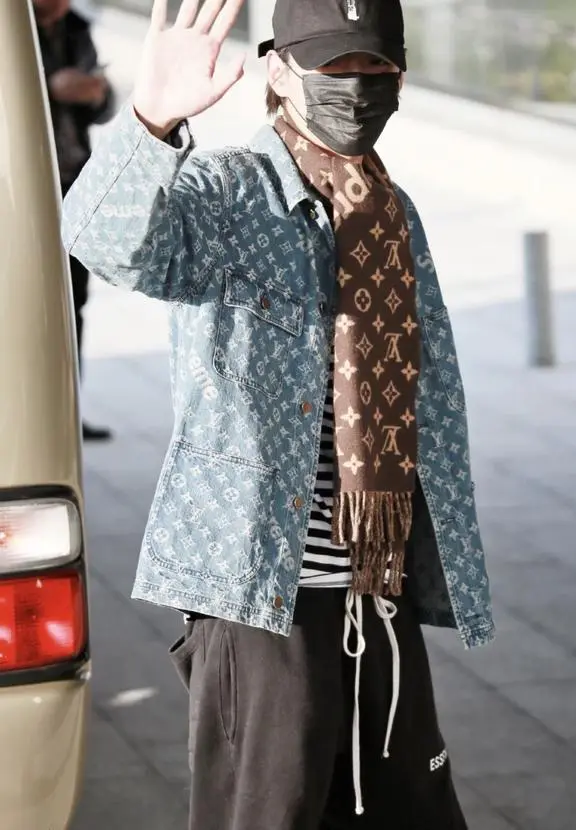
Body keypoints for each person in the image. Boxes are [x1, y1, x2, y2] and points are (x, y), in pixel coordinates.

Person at [62, 0, 495, 826]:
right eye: (333, 67)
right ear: (279, 70)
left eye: (373, 67)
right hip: (263, 594)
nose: (355, 87)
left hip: (376, 585)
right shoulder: (228, 194)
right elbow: (101, 242)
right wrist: (152, 120)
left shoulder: (392, 212)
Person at [35, 0, 114, 441]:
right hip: (26, 187)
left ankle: (68, 412)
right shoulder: (13, 26)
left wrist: (96, 94)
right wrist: (49, 87)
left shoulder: (76, 28)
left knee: (72, 302)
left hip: (73, 183)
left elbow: (104, 97)